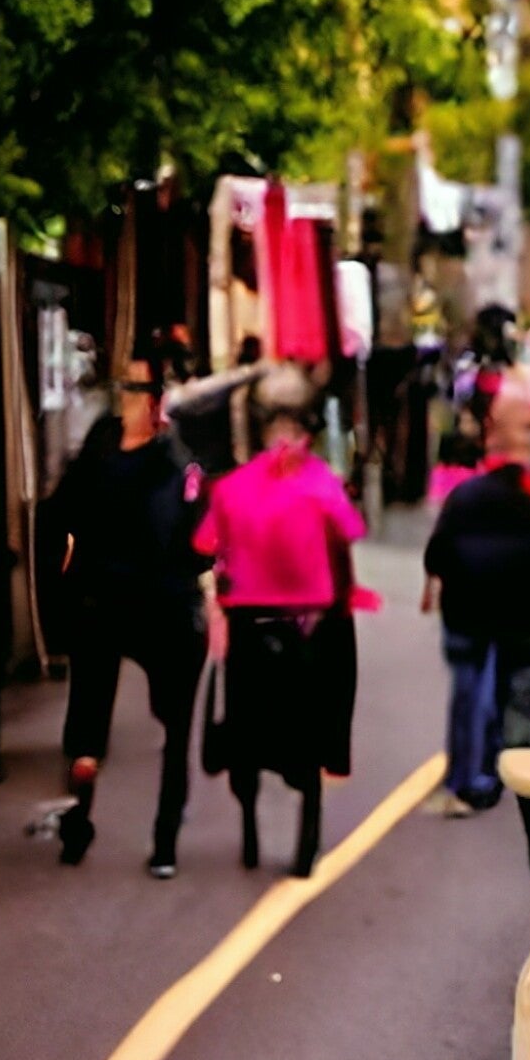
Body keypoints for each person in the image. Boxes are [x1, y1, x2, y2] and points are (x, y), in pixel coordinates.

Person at [195, 367, 367, 879]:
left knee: (246, 724)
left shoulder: (230, 487)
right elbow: (349, 531)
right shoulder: (321, 483)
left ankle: (248, 827)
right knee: (321, 717)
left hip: (249, 625)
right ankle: (315, 802)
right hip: (308, 628)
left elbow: (205, 543)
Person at [42, 353, 210, 877]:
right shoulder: (180, 465)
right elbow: (201, 543)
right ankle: (164, 845)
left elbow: (54, 514)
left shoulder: (95, 459)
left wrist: (70, 570)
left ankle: (77, 826)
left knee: (88, 721)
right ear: (158, 404)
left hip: (99, 602)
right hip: (165, 606)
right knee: (176, 727)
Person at [423, 376, 530, 878]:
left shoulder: (465, 496)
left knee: (467, 692)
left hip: (468, 613)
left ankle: (467, 778)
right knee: (519, 699)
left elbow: (438, 553)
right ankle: (521, 784)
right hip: (524, 621)